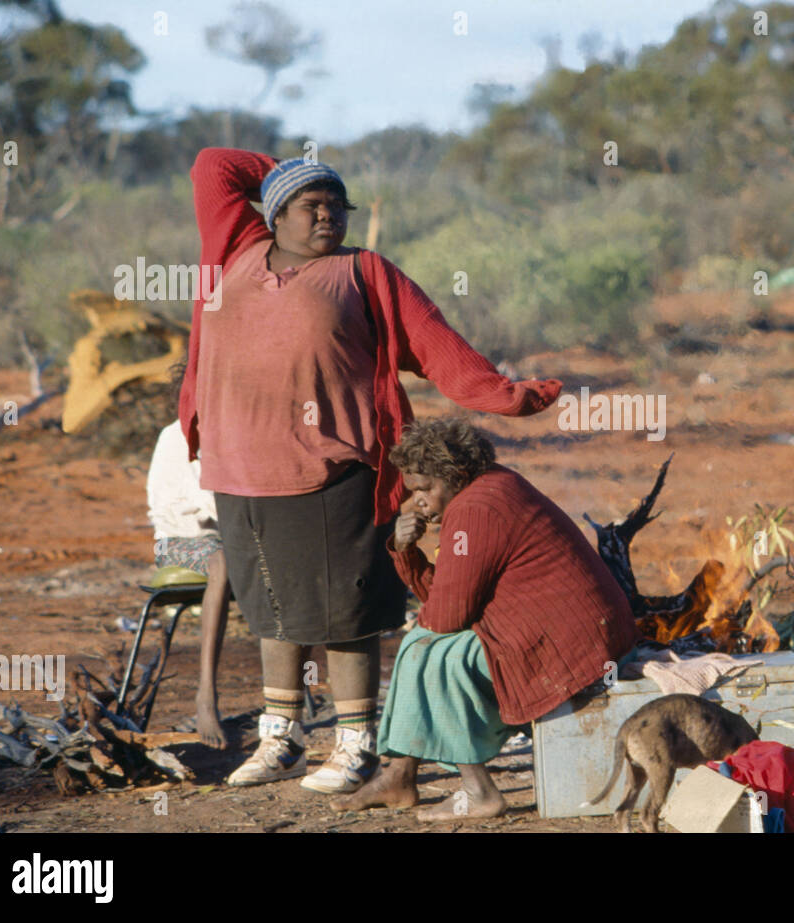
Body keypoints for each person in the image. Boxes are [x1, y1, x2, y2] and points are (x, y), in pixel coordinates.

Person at [177, 148, 562, 794]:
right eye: (311, 205)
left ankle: (355, 743)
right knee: (274, 605)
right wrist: (286, 172)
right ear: (273, 216)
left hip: (333, 467)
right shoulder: (235, 249)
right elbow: (214, 165)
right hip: (239, 467)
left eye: (337, 206)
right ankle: (283, 737)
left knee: (346, 609)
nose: (329, 216)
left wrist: (510, 394)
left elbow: (439, 345)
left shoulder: (363, 272)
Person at [332, 418, 639, 820]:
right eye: (414, 491)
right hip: (584, 632)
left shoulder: (474, 510)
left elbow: (446, 616)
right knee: (422, 642)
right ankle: (399, 775)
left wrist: (407, 554)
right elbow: (452, 598)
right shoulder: (492, 484)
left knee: (434, 652)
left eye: (426, 488)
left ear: (455, 474)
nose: (418, 501)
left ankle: (478, 792)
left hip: (573, 646)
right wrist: (407, 554)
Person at [146, 416, 233, 749]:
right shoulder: (177, 436)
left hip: (222, 539)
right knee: (221, 562)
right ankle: (206, 695)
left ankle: (289, 705)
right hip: (176, 543)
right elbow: (211, 506)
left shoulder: (223, 429)